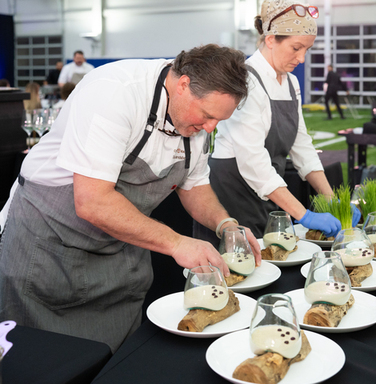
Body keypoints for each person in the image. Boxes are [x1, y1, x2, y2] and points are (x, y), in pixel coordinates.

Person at [0, 44, 261, 353]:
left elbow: (194, 186)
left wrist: (226, 225)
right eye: (207, 116)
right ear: (184, 84)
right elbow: (93, 202)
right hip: (49, 247)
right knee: (45, 359)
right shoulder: (114, 92)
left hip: (118, 252)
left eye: (219, 120)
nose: (210, 127)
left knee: (115, 359)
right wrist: (177, 243)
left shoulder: (196, 121)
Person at [201, 0, 360, 243]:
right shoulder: (245, 82)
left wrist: (331, 199)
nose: (302, 58)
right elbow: (253, 161)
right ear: (271, 39)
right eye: (296, 48)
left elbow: (302, 145)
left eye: (307, 49)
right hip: (233, 193)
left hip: (268, 191)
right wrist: (304, 215)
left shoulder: (291, 83)